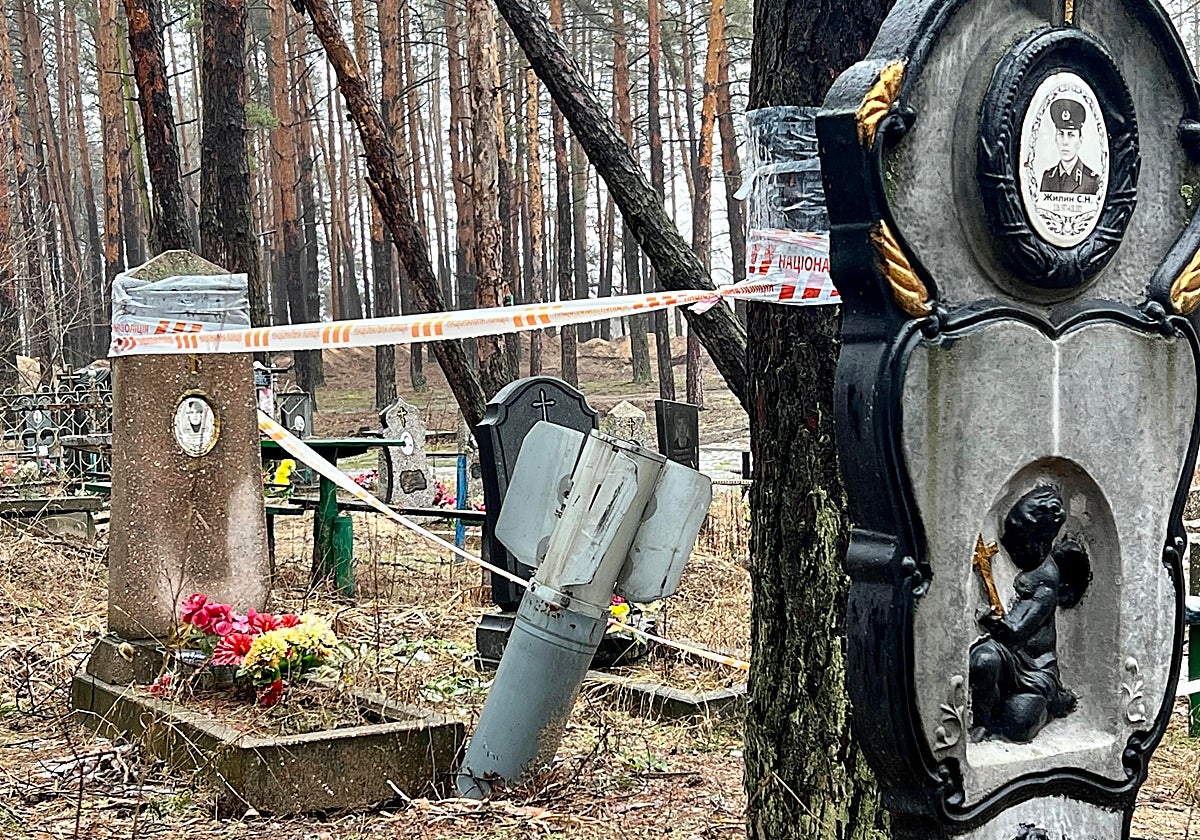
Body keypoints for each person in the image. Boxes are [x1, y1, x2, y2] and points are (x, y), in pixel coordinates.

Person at [969, 486, 1091, 743]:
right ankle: (982, 722)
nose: (1009, 548)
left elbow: (1016, 632)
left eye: (1018, 544)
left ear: (1041, 544)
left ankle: (1048, 705)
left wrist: (992, 622)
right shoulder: (1027, 569)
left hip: (1034, 670)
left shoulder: (1046, 582)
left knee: (1017, 725)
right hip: (1008, 658)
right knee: (983, 659)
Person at [1039, 99, 1100, 195]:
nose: (1065, 142)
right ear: (1055, 138)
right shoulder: (1048, 177)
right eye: (1061, 134)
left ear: (1080, 140)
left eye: (1071, 135)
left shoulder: (1091, 180)